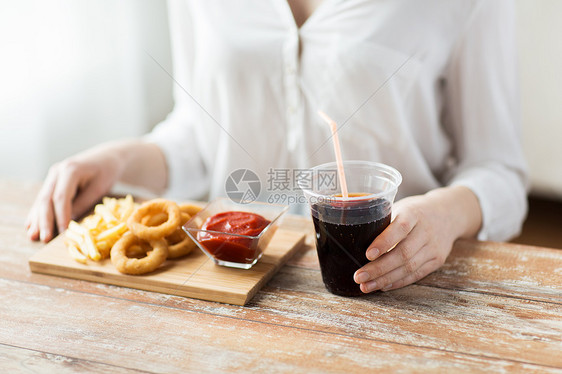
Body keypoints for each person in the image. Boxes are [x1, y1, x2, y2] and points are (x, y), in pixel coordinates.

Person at [26, 0, 528, 294]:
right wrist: (118, 158)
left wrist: (446, 215)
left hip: (395, 285)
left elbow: (498, 171)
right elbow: (199, 139)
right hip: (232, 284)